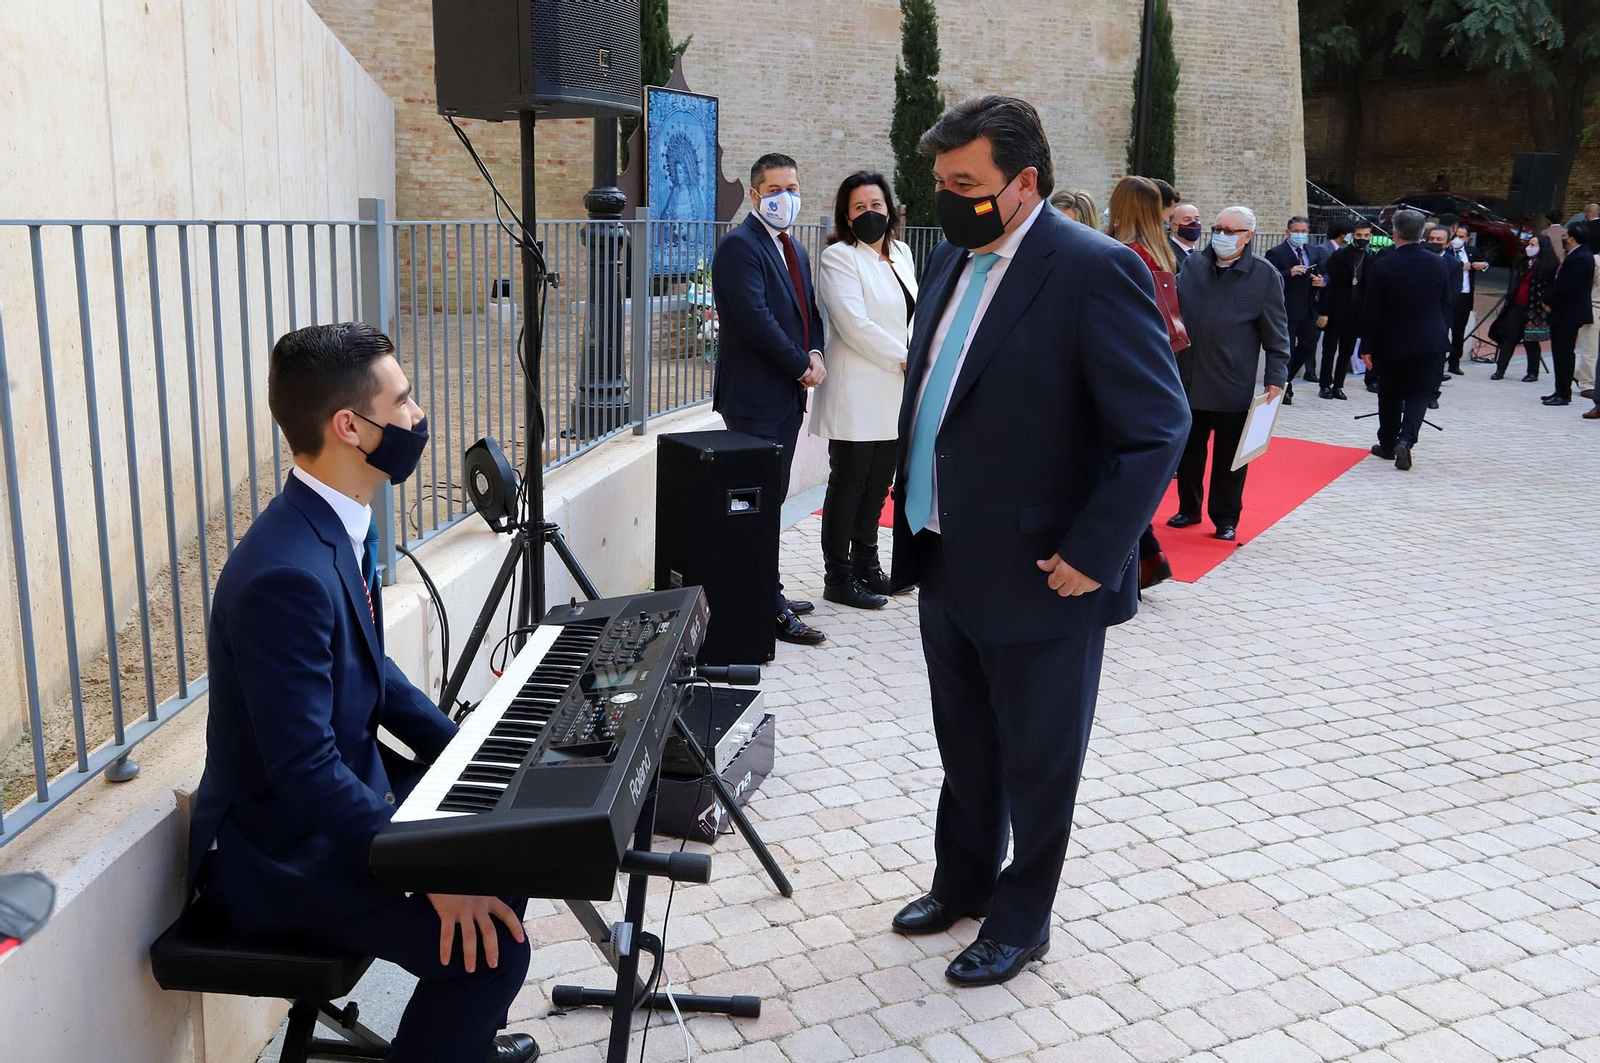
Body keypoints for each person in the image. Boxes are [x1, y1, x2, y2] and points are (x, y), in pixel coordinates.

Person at [886, 96, 1188, 988]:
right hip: (944, 549)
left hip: (1045, 571)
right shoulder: (951, 255)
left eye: (964, 183)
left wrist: (1096, 551)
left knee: (1039, 760)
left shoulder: (1094, 269)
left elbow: (1156, 425)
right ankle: (963, 880)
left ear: (1024, 184)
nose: (945, 198)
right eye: (939, 182)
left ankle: (1023, 918)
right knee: (965, 741)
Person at [186, 324, 537, 1063]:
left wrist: (475, 756)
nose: (417, 415)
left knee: (516, 844)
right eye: (402, 400)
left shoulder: (335, 523)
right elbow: (305, 773)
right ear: (349, 426)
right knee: (493, 947)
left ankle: (459, 1044)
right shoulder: (285, 573)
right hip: (275, 854)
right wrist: (428, 866)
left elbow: (376, 678)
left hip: (335, 801)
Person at [711, 152, 828, 646]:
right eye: (777, 190)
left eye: (793, 188)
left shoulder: (793, 248)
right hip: (754, 400)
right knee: (755, 507)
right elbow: (757, 320)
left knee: (772, 501)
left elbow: (808, 312)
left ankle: (769, 588)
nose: (788, 198)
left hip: (784, 399)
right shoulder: (741, 247)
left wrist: (816, 351)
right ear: (756, 194)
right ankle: (763, 608)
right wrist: (801, 365)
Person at [810, 171, 918, 609]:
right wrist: (905, 357)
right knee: (849, 483)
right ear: (846, 215)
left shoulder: (903, 253)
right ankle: (838, 576)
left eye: (876, 205)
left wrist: (913, 354)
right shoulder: (839, 257)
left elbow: (912, 314)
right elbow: (854, 325)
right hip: (858, 387)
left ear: (889, 208)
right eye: (859, 208)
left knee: (878, 486)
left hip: (894, 389)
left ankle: (868, 567)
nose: (869, 213)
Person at [1170, 206, 1290, 540]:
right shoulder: (1193, 265)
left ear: (1249, 236)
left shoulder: (1264, 275)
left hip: (1231, 383)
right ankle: (1188, 508)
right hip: (1188, 379)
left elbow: (1277, 335)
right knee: (1189, 453)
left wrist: (1276, 378)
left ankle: (1226, 517)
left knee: (1229, 458)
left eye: (1231, 231)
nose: (1221, 236)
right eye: (1218, 228)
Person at [1106, 176, 1177, 589]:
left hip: (1122, 371)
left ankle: (1137, 563)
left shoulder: (1126, 254)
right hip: (1157, 368)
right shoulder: (1160, 253)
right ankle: (1147, 559)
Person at [1360, 209, 1455, 471]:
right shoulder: (1438, 263)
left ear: (1395, 232)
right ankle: (1407, 439)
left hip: (1392, 340)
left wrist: (1366, 346)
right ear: (1422, 232)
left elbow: (1371, 309)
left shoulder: (1383, 264)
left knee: (1390, 393)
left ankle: (1389, 444)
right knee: (1419, 393)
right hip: (1430, 338)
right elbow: (1446, 301)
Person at [1263, 215, 1329, 401]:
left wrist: (1322, 281)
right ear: (1288, 232)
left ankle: (1287, 378)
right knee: (1288, 349)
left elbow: (1325, 273)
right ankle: (1286, 388)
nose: (1300, 235)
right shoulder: (1277, 253)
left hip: (1309, 308)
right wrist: (1288, 273)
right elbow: (1269, 278)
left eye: (1304, 231)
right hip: (1288, 309)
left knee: (1308, 346)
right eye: (1297, 231)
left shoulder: (1314, 252)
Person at [1542, 218, 1595, 406]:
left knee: (1564, 353)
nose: (1564, 239)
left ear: (1572, 238)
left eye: (1566, 236)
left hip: (1568, 313)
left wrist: (1547, 299)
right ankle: (1559, 389)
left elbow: (1566, 286)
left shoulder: (1581, 258)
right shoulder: (1577, 254)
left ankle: (1564, 393)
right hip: (1565, 311)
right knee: (1560, 352)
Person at [1492, 232, 1556, 382]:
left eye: (1533, 245)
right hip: (1517, 305)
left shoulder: (1549, 266)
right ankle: (1500, 370)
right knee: (1509, 338)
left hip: (1535, 309)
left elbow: (1551, 288)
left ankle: (1532, 372)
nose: (1529, 248)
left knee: (1531, 340)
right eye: (1529, 244)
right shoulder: (1524, 264)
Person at [1316, 219, 1371, 399]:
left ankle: (1338, 385)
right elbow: (1328, 286)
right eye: (1358, 235)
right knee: (1329, 350)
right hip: (1335, 311)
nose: (1362, 239)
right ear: (1351, 235)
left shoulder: (1370, 260)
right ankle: (1325, 384)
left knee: (1347, 351)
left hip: (1355, 314)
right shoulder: (1340, 256)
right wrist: (1324, 311)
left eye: (1366, 235)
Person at [1442, 221, 1490, 375]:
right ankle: (1439, 359)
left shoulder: (1471, 251)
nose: (1458, 239)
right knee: (1443, 327)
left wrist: (1483, 265)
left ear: (1468, 239)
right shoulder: (1447, 251)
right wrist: (1458, 266)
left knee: (1459, 329)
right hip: (1449, 294)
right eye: (1456, 235)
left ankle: (1454, 362)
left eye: (1462, 237)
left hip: (1464, 295)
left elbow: (1484, 262)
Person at [1577, 220, 1600, 401]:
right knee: (1590, 348)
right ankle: (1586, 384)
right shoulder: (1595, 261)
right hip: (1593, 307)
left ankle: (1579, 374)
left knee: (1592, 349)